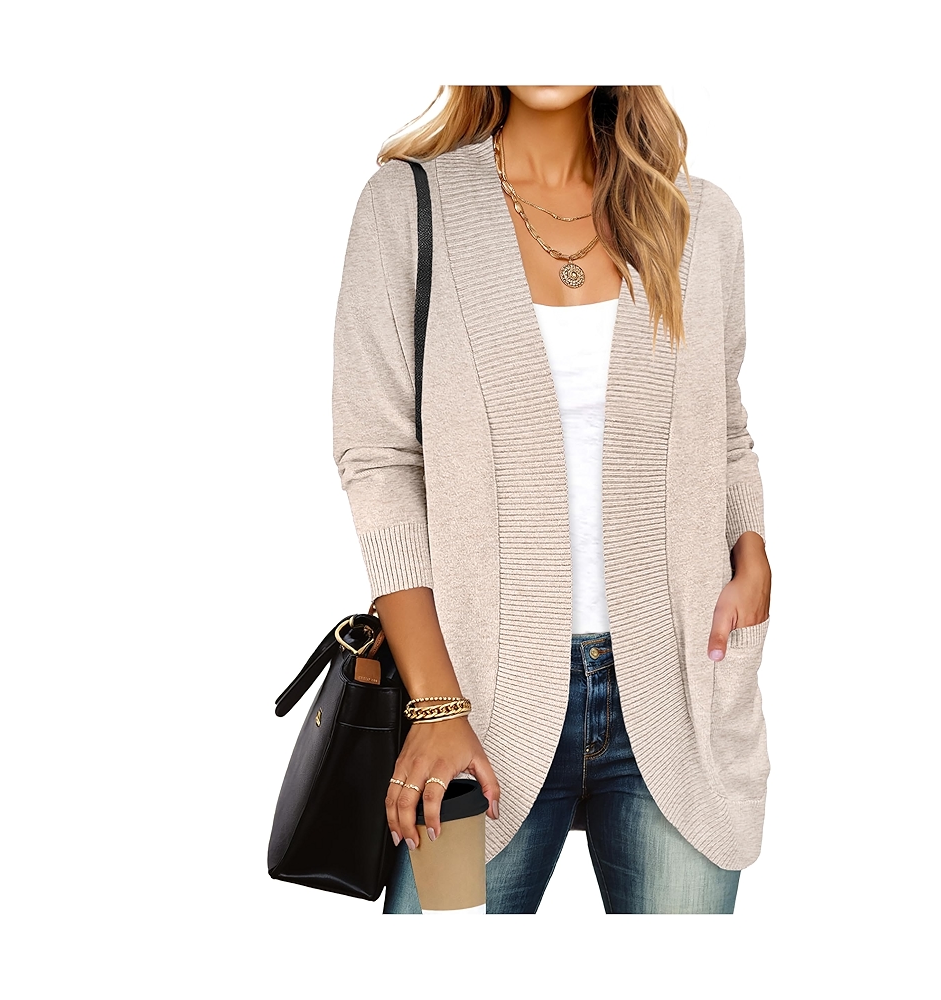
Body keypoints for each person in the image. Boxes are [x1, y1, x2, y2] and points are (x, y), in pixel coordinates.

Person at [330, 85, 773, 914]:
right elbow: (379, 460)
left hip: (680, 695)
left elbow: (725, 429)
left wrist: (752, 551)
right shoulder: (408, 208)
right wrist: (436, 702)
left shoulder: (701, 221)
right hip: (471, 702)